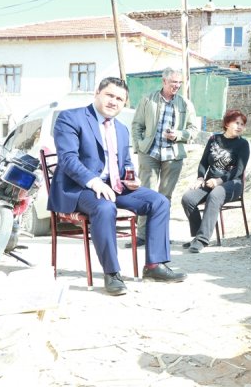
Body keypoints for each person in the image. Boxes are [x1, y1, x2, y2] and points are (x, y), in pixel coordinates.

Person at [48, 77, 187, 296]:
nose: (114, 102)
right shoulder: (71, 118)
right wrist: (93, 182)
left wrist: (132, 178)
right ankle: (112, 274)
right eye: (110, 95)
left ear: (124, 103)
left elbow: (125, 163)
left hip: (113, 187)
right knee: (104, 208)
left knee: (159, 201)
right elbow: (68, 160)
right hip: (79, 189)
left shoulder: (121, 129)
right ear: (97, 93)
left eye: (120, 99)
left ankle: (154, 265)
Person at [130, 67, 197, 246]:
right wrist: (139, 147)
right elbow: (137, 125)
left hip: (173, 155)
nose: (176, 86)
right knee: (146, 194)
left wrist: (178, 135)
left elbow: (193, 130)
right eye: (173, 82)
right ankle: (142, 236)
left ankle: (160, 236)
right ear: (164, 81)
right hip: (149, 153)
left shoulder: (185, 104)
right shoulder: (148, 99)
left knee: (165, 196)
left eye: (179, 83)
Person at [180, 110, 250, 253]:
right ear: (227, 123)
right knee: (188, 198)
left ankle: (202, 240)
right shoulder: (213, 139)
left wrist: (219, 180)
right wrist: (200, 178)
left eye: (242, 124)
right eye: (236, 123)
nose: (240, 127)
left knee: (215, 195)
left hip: (233, 183)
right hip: (210, 182)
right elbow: (203, 162)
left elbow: (239, 171)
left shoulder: (243, 144)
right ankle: (197, 235)